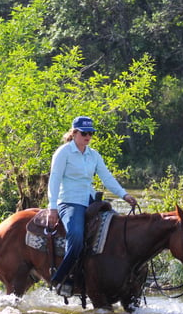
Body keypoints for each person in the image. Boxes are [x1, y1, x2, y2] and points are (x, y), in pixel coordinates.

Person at [47, 115, 138, 297]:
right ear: (74, 133)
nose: (88, 137)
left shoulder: (93, 155)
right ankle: (61, 278)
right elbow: (55, 179)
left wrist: (124, 195)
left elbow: (107, 178)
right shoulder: (63, 152)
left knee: (115, 230)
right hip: (69, 201)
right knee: (77, 237)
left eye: (90, 133)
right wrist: (53, 207)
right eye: (84, 133)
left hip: (89, 200)